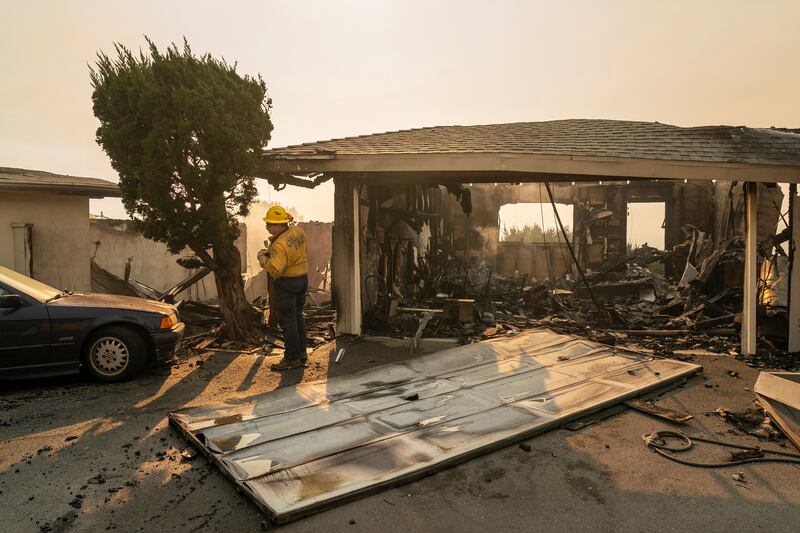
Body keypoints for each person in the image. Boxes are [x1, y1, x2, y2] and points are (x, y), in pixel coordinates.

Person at [257, 205, 309, 371]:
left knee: (288, 321)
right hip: (302, 278)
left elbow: (275, 268)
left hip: (287, 283)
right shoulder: (297, 232)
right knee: (298, 316)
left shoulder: (279, 245)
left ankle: (291, 358)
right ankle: (301, 353)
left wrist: (262, 258)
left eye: (270, 224)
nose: (267, 227)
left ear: (280, 225)